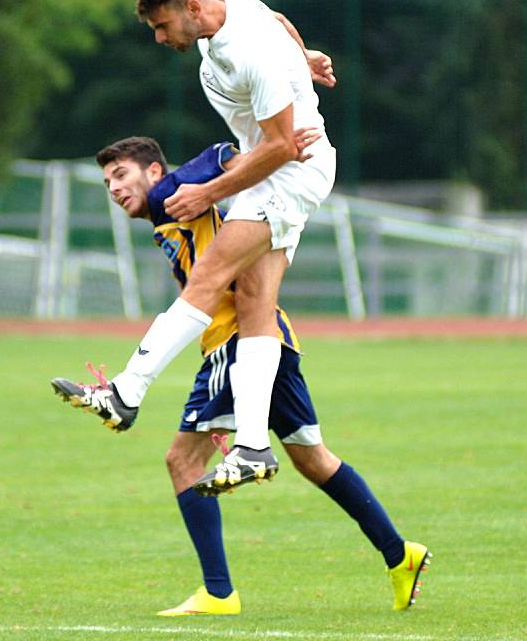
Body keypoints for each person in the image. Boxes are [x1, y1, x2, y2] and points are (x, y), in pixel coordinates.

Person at [52, 136, 431, 616]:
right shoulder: (166, 211)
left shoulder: (175, 187)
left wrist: (277, 148)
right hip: (272, 340)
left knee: (182, 462)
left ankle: (218, 592)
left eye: (121, 174)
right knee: (314, 460)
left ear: (152, 172)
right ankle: (401, 556)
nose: (113, 187)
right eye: (107, 181)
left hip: (236, 345)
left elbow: (224, 157)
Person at [65, 0, 338, 494]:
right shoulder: (231, 0)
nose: (161, 38)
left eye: (163, 26)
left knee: (208, 277)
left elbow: (282, 145)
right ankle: (253, 446)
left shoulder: (246, 53)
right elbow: (278, 19)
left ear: (191, 8)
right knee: (254, 301)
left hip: (289, 171)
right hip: (276, 169)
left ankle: (127, 390)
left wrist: (208, 193)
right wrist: (300, 58)